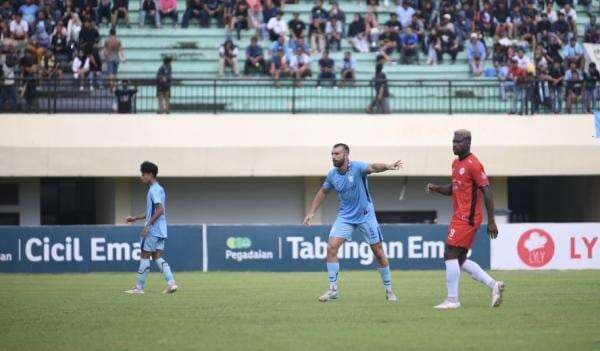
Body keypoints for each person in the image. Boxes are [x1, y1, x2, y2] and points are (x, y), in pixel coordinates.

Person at [303, 143, 402, 302]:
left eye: (337, 154)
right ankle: (333, 289)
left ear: (346, 155)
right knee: (331, 247)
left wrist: (388, 166)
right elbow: (323, 191)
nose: (333, 157)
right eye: (332, 154)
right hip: (346, 216)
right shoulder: (332, 175)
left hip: (365, 215)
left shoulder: (358, 167)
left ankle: (389, 290)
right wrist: (311, 212)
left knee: (378, 252)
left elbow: (373, 167)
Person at [426, 129, 504, 310]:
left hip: (468, 218)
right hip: (459, 216)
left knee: (449, 254)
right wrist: (436, 188)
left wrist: (491, 220)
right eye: (453, 141)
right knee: (459, 259)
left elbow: (487, 191)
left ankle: (452, 300)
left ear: (468, 142)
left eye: (458, 142)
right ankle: (494, 286)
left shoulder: (474, 164)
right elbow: (454, 188)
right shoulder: (455, 164)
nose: (454, 145)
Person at [125, 161, 178, 295]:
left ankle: (138, 288)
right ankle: (171, 283)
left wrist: (148, 225)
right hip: (161, 228)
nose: (141, 177)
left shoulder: (153, 190)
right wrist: (135, 218)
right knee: (157, 257)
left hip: (153, 229)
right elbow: (152, 211)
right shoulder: (159, 188)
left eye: (143, 174)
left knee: (144, 255)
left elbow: (160, 210)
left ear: (149, 174)